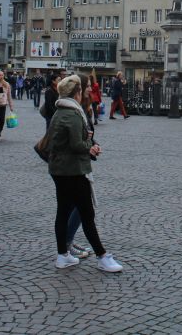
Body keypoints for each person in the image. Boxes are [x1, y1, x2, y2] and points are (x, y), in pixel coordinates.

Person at [47, 74, 122, 272]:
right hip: (72, 171)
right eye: (82, 90)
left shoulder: (61, 111)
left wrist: (87, 141)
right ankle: (102, 256)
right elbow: (76, 144)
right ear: (77, 93)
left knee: (63, 212)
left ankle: (62, 255)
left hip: (60, 169)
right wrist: (90, 146)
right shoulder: (72, 114)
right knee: (86, 213)